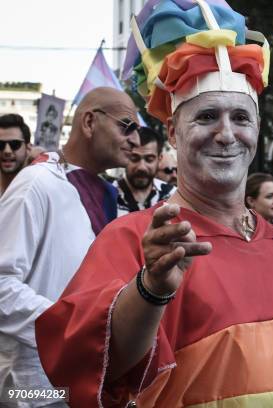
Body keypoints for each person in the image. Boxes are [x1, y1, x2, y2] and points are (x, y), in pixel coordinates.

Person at [36, 2, 273, 406]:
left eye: (241, 117)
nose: (226, 134)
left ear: (257, 129)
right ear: (172, 131)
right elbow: (89, 365)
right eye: (207, 117)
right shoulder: (133, 238)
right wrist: (150, 291)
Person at [0, 87, 139, 407]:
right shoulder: (37, 183)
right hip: (37, 390)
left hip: (88, 382)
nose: (136, 141)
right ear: (90, 122)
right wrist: (70, 327)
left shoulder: (112, 197)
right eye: (127, 127)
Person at [115, 127, 175, 217]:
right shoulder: (107, 197)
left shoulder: (172, 195)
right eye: (134, 158)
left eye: (149, 159)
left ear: (159, 159)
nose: (141, 167)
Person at [0, 114, 31, 197]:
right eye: (0, 145)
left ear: (28, 148)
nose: (7, 151)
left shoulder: (37, 191)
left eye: (14, 144)